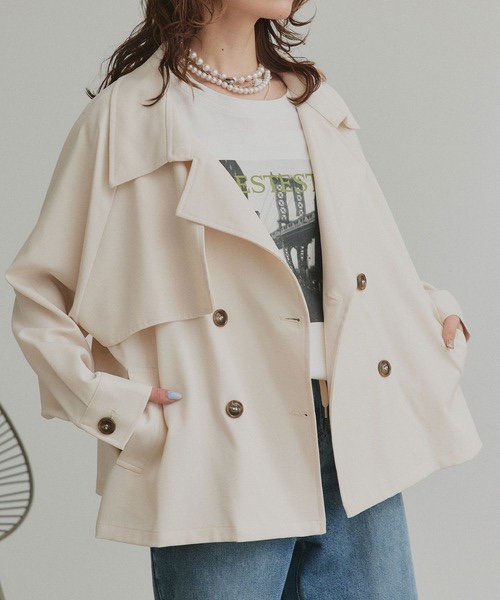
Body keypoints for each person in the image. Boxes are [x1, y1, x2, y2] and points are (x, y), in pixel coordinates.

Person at [6, 0, 482, 598]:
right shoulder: (128, 117)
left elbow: (357, 263)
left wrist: (432, 311)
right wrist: (114, 406)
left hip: (353, 431)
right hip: (219, 447)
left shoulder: (314, 103)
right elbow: (40, 290)